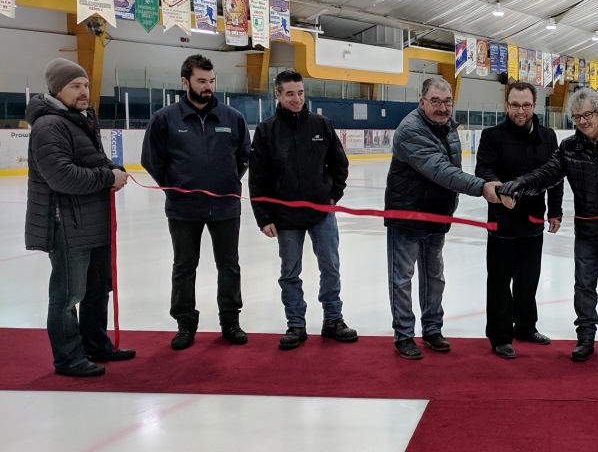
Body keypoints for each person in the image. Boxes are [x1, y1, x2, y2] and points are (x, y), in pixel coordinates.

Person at [499, 87, 598, 363]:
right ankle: (585, 337)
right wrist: (521, 185)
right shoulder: (570, 147)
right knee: (584, 286)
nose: (582, 121)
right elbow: (547, 174)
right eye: (576, 116)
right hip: (588, 232)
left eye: (588, 115)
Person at [25, 58, 136, 377]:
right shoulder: (49, 125)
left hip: (92, 222)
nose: (84, 91)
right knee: (67, 295)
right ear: (57, 90)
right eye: (75, 86)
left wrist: (113, 169)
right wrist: (106, 178)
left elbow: (96, 160)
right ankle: (68, 357)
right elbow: (62, 177)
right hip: (66, 226)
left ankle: (94, 344)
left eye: (86, 85)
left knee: (97, 289)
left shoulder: (82, 118)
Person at [385, 78, 503, 360]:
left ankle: (432, 329)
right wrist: (481, 187)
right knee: (402, 278)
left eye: (447, 101)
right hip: (408, 215)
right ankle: (403, 334)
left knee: (434, 276)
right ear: (422, 101)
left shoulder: (448, 128)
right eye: (435, 101)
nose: (442, 107)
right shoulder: (411, 130)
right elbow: (440, 170)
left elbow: (450, 170)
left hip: (436, 214)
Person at [141, 54, 251, 350]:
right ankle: (185, 324)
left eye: (212, 81)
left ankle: (230, 320)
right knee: (184, 265)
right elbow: (152, 160)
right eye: (201, 81)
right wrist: (176, 188)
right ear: (185, 82)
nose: (208, 86)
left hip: (226, 207)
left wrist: (226, 183)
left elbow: (243, 158)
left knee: (229, 265)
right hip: (183, 208)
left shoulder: (232, 118)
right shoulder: (165, 119)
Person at [248, 70, 357, 351]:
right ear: (278, 95)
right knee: (290, 271)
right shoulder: (266, 130)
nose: (297, 99)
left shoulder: (321, 124)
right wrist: (264, 217)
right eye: (290, 94)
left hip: (322, 213)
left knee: (330, 267)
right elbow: (258, 178)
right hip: (285, 217)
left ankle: (333, 319)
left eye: (300, 93)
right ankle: (296, 323)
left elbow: (339, 165)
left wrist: (332, 195)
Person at [475, 81, 564, 359]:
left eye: (526, 105)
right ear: (506, 105)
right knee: (500, 281)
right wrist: (500, 189)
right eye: (515, 105)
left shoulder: (548, 136)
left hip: (534, 220)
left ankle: (526, 327)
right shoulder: (492, 136)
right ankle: (500, 335)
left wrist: (556, 211)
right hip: (502, 221)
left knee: (529, 279)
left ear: (534, 106)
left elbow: (556, 176)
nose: (520, 111)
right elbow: (484, 168)